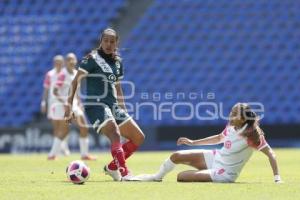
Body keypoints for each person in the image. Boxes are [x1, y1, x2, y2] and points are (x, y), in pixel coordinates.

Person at [65, 28, 145, 181]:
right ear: (101, 41)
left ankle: (112, 167)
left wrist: (123, 106)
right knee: (114, 133)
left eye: (112, 41)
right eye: (105, 40)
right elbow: (75, 81)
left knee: (138, 137)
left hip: (112, 104)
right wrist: (69, 106)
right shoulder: (91, 59)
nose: (108, 44)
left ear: (117, 43)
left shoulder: (118, 62)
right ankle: (125, 173)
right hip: (95, 105)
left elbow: (117, 86)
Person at [136, 103, 282, 183]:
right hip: (216, 157)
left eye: (234, 114)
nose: (230, 116)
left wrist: (277, 179)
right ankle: (156, 177)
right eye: (231, 112)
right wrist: (192, 142)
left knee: (181, 176)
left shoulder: (252, 135)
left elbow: (271, 154)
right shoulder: (231, 126)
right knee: (176, 155)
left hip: (225, 173)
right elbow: (219, 138)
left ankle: (206, 175)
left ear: (243, 119)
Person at [49, 53, 96, 160]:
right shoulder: (63, 74)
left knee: (79, 127)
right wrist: (65, 102)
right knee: (67, 130)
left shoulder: (76, 73)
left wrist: (79, 103)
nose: (71, 61)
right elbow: (55, 91)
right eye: (69, 59)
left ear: (76, 61)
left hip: (74, 105)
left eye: (73, 59)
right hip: (66, 105)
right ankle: (53, 155)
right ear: (66, 62)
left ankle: (53, 155)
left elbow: (77, 91)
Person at [41, 55, 70, 160]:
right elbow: (46, 89)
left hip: (64, 102)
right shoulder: (50, 74)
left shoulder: (65, 74)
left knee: (65, 126)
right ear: (54, 63)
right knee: (56, 127)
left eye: (60, 62)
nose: (59, 64)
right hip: (53, 103)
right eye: (57, 62)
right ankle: (58, 150)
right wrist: (43, 102)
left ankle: (63, 147)